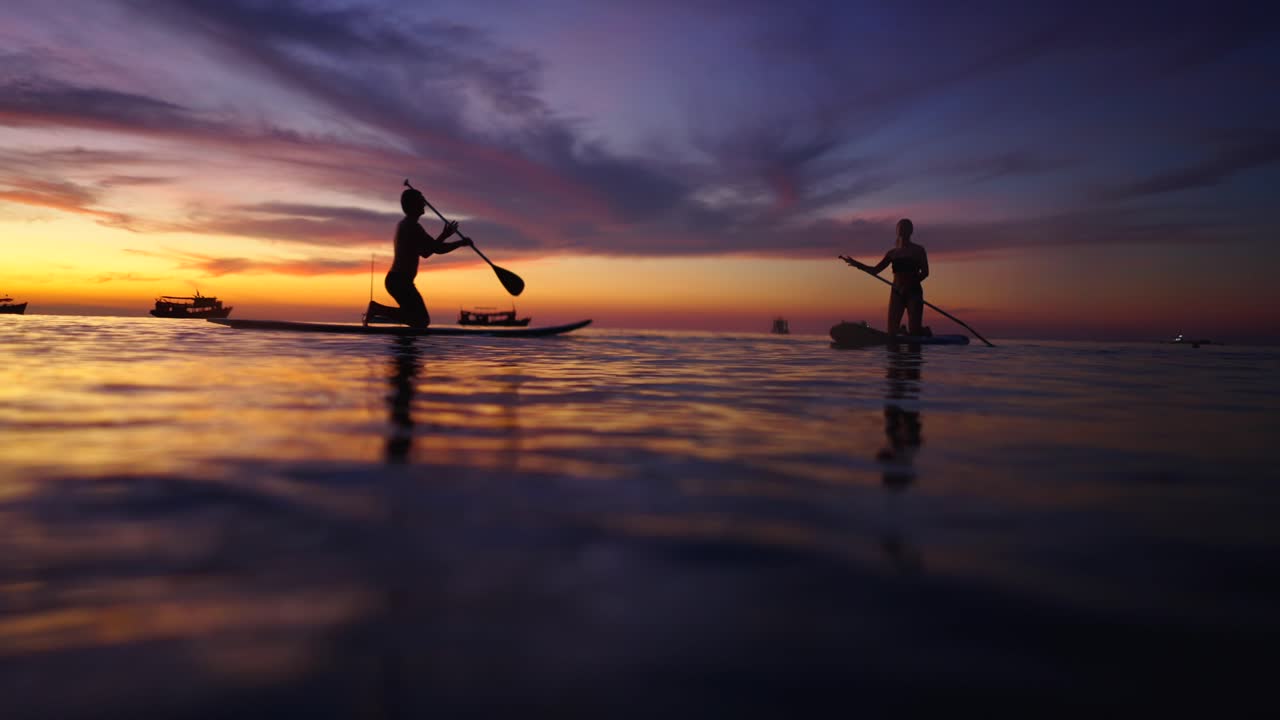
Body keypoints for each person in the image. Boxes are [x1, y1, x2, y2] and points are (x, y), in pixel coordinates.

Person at [366, 185, 472, 327]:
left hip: (399, 281)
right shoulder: (412, 227)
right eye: (422, 201)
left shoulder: (407, 225)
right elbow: (435, 249)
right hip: (399, 282)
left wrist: (452, 240)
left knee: (417, 319)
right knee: (421, 320)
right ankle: (377, 309)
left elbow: (427, 252)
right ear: (414, 205)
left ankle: (392, 326)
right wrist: (455, 241)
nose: (425, 205)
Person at [841, 218, 929, 337]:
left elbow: (925, 272)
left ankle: (924, 331)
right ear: (897, 231)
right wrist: (858, 265)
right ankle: (901, 331)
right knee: (891, 332)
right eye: (901, 227)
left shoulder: (918, 250)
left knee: (915, 332)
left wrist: (908, 286)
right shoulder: (892, 253)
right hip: (896, 292)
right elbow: (875, 270)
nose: (903, 229)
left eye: (906, 227)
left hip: (913, 292)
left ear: (911, 231)